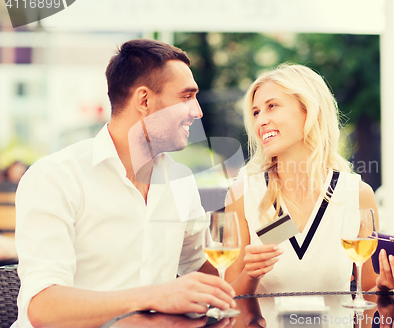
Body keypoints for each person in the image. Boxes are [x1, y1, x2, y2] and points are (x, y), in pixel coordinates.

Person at [13, 39, 236, 328]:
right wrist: (155, 296)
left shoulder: (180, 181)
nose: (197, 111)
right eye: (185, 97)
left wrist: (252, 266)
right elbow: (43, 308)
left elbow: (203, 270)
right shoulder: (55, 176)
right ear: (144, 101)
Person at [224, 64, 394, 326]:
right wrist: (250, 274)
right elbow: (227, 301)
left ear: (309, 110)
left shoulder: (357, 194)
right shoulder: (242, 194)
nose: (260, 121)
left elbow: (369, 294)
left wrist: (385, 286)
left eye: (272, 106)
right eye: (256, 112)